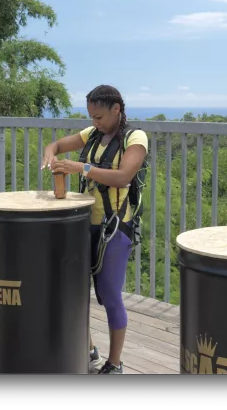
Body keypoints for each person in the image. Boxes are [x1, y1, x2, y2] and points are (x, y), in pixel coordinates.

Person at [42, 85, 148, 374]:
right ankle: (89, 350)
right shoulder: (92, 135)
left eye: (99, 117)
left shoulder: (135, 138)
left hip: (115, 226)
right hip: (84, 223)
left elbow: (124, 177)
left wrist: (82, 168)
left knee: (109, 293)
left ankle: (114, 363)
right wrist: (50, 153)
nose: (95, 122)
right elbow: (56, 146)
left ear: (117, 110)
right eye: (91, 116)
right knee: (74, 289)